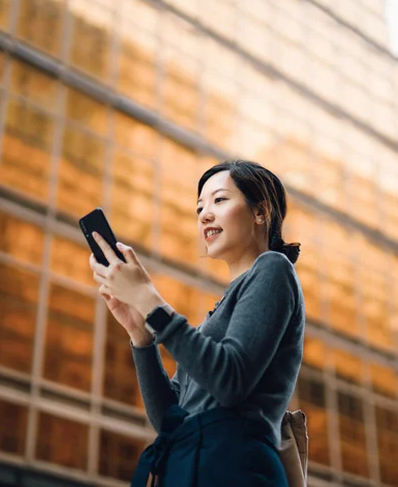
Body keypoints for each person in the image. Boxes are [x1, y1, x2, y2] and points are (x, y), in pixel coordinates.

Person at [88, 159, 305, 486]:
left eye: (219, 200)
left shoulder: (273, 269)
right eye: (200, 207)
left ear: (261, 213)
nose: (204, 214)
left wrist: (150, 299)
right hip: (188, 469)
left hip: (235, 470)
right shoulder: (214, 317)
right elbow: (169, 419)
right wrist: (141, 335)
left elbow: (230, 380)